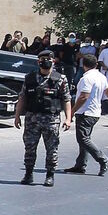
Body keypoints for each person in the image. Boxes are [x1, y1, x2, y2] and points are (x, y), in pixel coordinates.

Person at [14, 50, 71, 186]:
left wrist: (68, 118)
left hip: (51, 119)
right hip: (32, 119)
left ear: (53, 61)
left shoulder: (60, 79)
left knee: (52, 149)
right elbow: (22, 98)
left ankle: (50, 175)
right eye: (42, 59)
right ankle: (28, 174)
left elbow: (66, 99)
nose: (45, 61)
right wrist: (17, 116)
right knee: (29, 148)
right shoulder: (30, 78)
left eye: (48, 59)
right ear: (38, 61)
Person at [63, 54, 108, 176]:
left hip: (86, 112)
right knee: (84, 139)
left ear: (83, 65)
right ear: (96, 64)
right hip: (95, 112)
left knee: (83, 139)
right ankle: (80, 165)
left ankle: (102, 159)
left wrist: (72, 111)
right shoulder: (101, 77)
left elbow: (84, 96)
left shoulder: (87, 78)